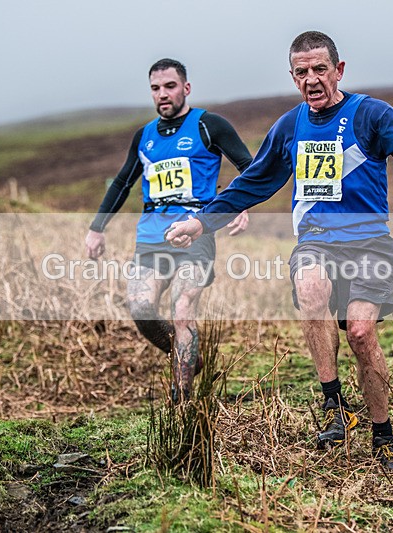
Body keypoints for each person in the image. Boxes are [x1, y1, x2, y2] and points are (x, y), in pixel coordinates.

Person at [166, 32, 393, 470]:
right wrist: (200, 220)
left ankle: (383, 435)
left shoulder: (369, 113)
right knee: (310, 285)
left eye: (320, 69)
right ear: (292, 77)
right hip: (316, 240)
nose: (312, 79)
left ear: (339, 70)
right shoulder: (290, 126)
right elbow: (254, 182)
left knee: (360, 333)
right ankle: (335, 408)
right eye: (302, 72)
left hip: (370, 243)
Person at [85, 58, 253, 402]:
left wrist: (240, 205)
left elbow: (250, 167)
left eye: (170, 86)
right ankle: (190, 357)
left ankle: (181, 401)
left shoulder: (209, 125)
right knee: (141, 309)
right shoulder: (144, 137)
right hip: (151, 237)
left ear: (186, 88)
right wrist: (97, 228)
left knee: (182, 310)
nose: (163, 94)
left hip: (195, 233)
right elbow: (121, 183)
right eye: (156, 88)